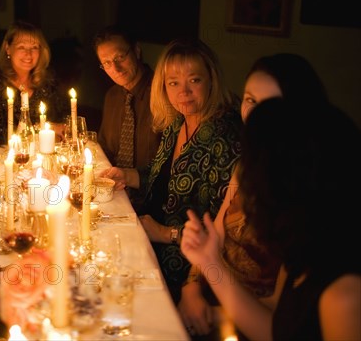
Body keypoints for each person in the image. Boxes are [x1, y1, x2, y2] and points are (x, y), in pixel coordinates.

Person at [181, 98, 361, 340]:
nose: (246, 188)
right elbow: (275, 330)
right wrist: (208, 261)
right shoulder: (302, 246)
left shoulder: (345, 294)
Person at [178, 53, 329, 337]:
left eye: (270, 105)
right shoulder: (248, 164)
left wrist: (212, 313)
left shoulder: (308, 191)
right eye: (250, 100)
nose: (256, 114)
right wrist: (191, 288)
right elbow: (217, 233)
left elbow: (278, 324)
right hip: (213, 293)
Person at [101, 38, 242, 303]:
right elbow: (158, 176)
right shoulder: (178, 122)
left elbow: (223, 227)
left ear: (211, 80)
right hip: (150, 232)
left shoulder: (225, 136)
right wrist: (127, 175)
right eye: (173, 83)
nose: (183, 92)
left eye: (194, 80)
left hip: (185, 264)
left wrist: (165, 234)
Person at [0, 20, 68, 145]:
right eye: (21, 47)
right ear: (8, 48)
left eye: (34, 47)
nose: (28, 54)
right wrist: (44, 129)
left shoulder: (48, 80)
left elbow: (65, 121)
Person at [93, 25, 161, 170]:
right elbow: (104, 148)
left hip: (151, 190)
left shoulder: (162, 93)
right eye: (107, 63)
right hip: (115, 187)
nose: (115, 68)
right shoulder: (112, 96)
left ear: (136, 51)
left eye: (120, 57)